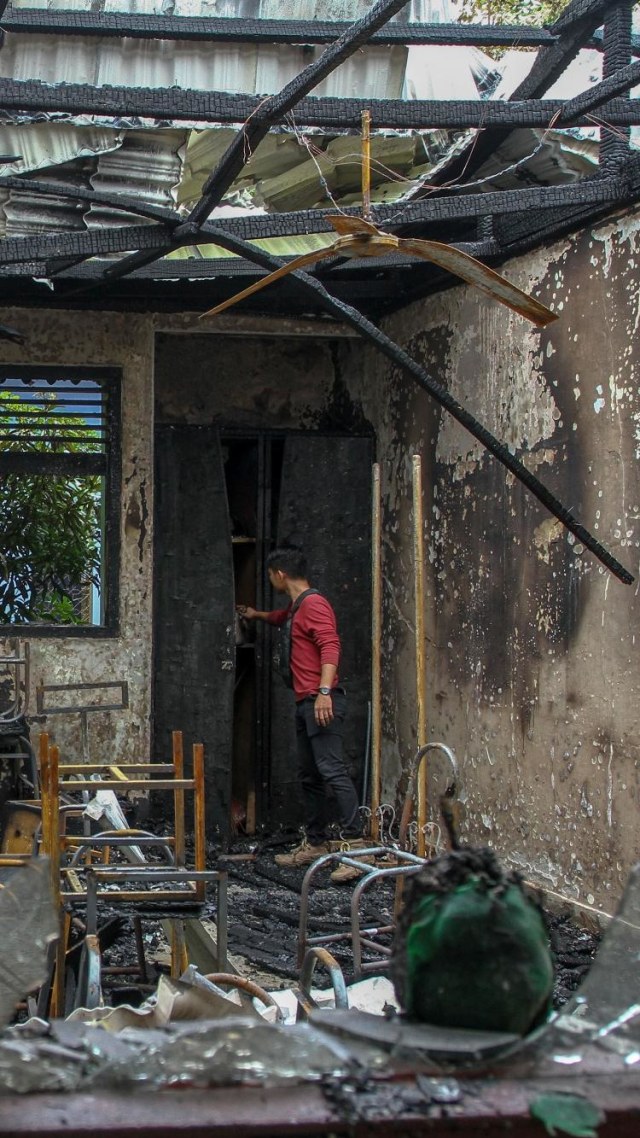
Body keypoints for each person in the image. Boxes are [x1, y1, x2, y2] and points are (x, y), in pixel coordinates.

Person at [236, 545, 366, 883]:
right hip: (305, 703)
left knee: (332, 771)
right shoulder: (299, 607)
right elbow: (284, 621)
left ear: (279, 575)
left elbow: (330, 645)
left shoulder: (315, 604)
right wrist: (257, 615)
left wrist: (324, 692)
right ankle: (317, 843)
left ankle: (357, 850)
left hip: (320, 701)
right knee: (309, 774)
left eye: (270, 575)